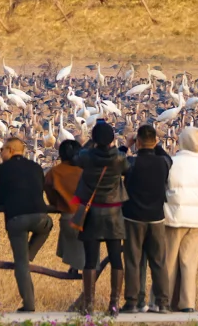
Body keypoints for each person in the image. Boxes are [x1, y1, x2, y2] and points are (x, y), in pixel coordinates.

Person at [75, 120, 127, 315]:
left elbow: (76, 156)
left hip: (92, 213)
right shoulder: (119, 158)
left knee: (90, 260)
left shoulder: (86, 157)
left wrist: (91, 142)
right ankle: (113, 305)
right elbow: (127, 169)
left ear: (95, 139)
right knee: (115, 258)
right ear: (112, 139)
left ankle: (88, 304)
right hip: (114, 213)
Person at [0, 136, 51, 314]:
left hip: (17, 220)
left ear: (10, 150)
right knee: (47, 227)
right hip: (42, 218)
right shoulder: (36, 167)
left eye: (2, 149)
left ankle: (29, 305)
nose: (0, 152)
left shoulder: (1, 170)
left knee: (21, 264)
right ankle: (30, 254)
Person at [122, 122, 171, 314]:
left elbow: (117, 161)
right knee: (159, 262)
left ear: (138, 142)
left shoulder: (132, 163)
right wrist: (156, 144)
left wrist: (126, 144)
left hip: (133, 218)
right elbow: (167, 157)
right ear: (155, 141)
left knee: (133, 261)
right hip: (157, 218)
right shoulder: (163, 163)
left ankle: (132, 302)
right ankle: (163, 303)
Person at [163, 126, 198, 311]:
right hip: (196, 219)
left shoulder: (172, 163)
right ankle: (188, 303)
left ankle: (163, 300)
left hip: (174, 217)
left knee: (168, 261)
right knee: (189, 263)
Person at [43, 139, 84, 278]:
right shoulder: (85, 172)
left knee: (74, 247)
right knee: (89, 257)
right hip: (89, 217)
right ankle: (89, 292)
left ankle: (74, 268)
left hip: (67, 217)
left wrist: (60, 204)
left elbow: (51, 196)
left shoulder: (53, 173)